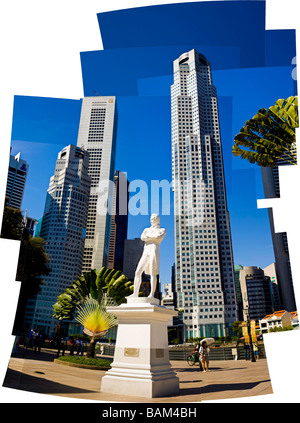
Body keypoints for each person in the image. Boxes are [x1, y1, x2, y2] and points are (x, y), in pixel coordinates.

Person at [128, 214, 166, 299]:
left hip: (154, 248)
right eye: (151, 219)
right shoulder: (147, 229)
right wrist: (152, 237)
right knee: (138, 271)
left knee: (153, 272)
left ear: (157, 220)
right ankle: (135, 293)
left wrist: (148, 236)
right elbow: (142, 238)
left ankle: (152, 294)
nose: (151, 220)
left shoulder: (162, 230)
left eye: (153, 219)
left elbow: (158, 237)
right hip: (146, 250)